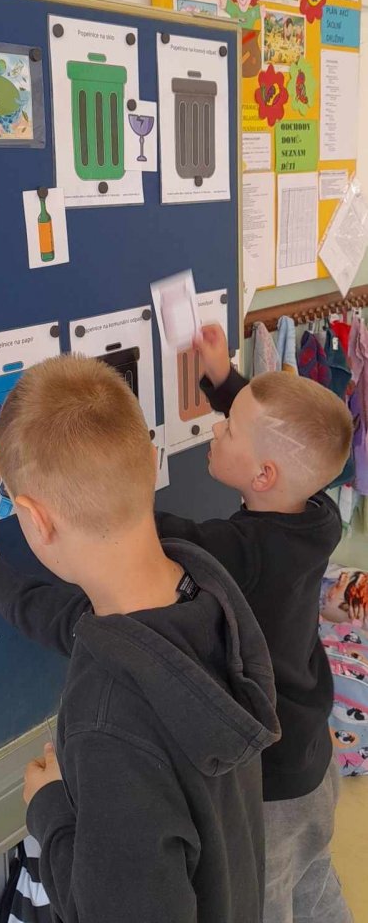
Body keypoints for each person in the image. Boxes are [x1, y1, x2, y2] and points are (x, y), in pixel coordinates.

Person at [0, 354, 280, 923]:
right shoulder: (202, 592)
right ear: (150, 460)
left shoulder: (108, 720)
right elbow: (78, 623)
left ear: (34, 519)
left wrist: (50, 810)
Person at [158, 326, 353, 923]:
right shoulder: (318, 514)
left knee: (263, 904)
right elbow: (273, 435)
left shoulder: (238, 550)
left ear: (262, 477)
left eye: (227, 428)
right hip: (312, 757)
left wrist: (12, 477)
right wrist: (222, 376)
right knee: (314, 881)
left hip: (271, 786)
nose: (216, 428)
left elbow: (136, 527)